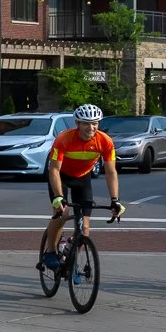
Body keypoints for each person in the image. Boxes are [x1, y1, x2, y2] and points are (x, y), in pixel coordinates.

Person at [40, 103, 124, 271]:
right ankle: (50, 251)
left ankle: (71, 261)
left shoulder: (105, 141)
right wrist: (58, 196)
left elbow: (110, 172)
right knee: (62, 214)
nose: (91, 127)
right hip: (61, 177)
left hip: (82, 178)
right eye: (86, 123)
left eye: (94, 123)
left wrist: (115, 199)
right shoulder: (64, 139)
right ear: (77, 123)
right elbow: (54, 170)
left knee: (84, 228)